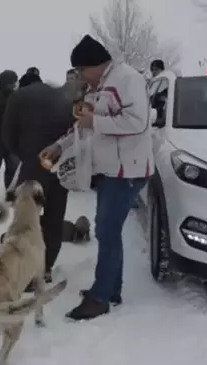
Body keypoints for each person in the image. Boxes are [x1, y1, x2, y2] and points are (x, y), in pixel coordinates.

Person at [40, 34, 153, 321]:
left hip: (127, 170)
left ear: (93, 64)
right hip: (109, 170)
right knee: (108, 231)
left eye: (80, 70)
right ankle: (110, 290)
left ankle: (101, 297)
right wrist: (58, 146)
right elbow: (83, 128)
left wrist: (96, 121)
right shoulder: (99, 86)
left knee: (106, 231)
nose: (79, 77)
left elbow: (138, 122)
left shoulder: (127, 79)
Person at [2, 69, 76, 290]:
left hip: (33, 165)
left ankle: (24, 272)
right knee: (54, 219)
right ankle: (45, 270)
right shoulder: (60, 96)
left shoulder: (18, 97)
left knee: (26, 222)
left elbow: (7, 134)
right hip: (60, 165)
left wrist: (24, 155)